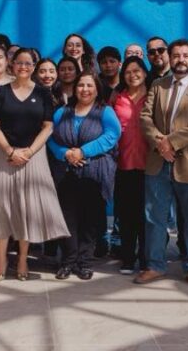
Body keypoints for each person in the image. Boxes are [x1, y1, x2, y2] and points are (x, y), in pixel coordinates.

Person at [135, 40, 188, 288]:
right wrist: (161, 143)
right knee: (154, 217)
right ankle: (156, 265)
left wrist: (171, 143)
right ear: (170, 58)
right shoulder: (158, 85)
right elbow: (145, 117)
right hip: (158, 162)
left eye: (185, 55)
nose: (181, 59)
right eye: (176, 55)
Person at [0, 48, 69, 282]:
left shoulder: (43, 93)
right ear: (12, 65)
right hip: (5, 155)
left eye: (28, 63)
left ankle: (22, 258)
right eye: (19, 62)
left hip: (33, 157)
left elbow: (48, 126)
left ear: (33, 66)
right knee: (2, 207)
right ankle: (2, 259)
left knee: (26, 209)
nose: (23, 66)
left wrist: (30, 152)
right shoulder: (1, 92)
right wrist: (10, 150)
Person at [48, 73, 120, 280]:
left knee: (90, 220)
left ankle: (85, 262)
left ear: (97, 89)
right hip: (65, 172)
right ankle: (68, 261)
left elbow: (111, 136)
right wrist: (66, 153)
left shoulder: (105, 112)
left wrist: (82, 152)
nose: (85, 89)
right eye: (81, 85)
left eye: (89, 85)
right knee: (66, 218)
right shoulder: (62, 111)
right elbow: (50, 136)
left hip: (94, 172)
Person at [111, 56, 150, 274]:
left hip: (149, 164)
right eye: (127, 72)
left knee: (148, 214)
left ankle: (146, 258)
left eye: (137, 71)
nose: (132, 75)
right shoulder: (118, 97)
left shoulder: (154, 96)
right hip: (123, 163)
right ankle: (128, 257)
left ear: (144, 73)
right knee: (126, 214)